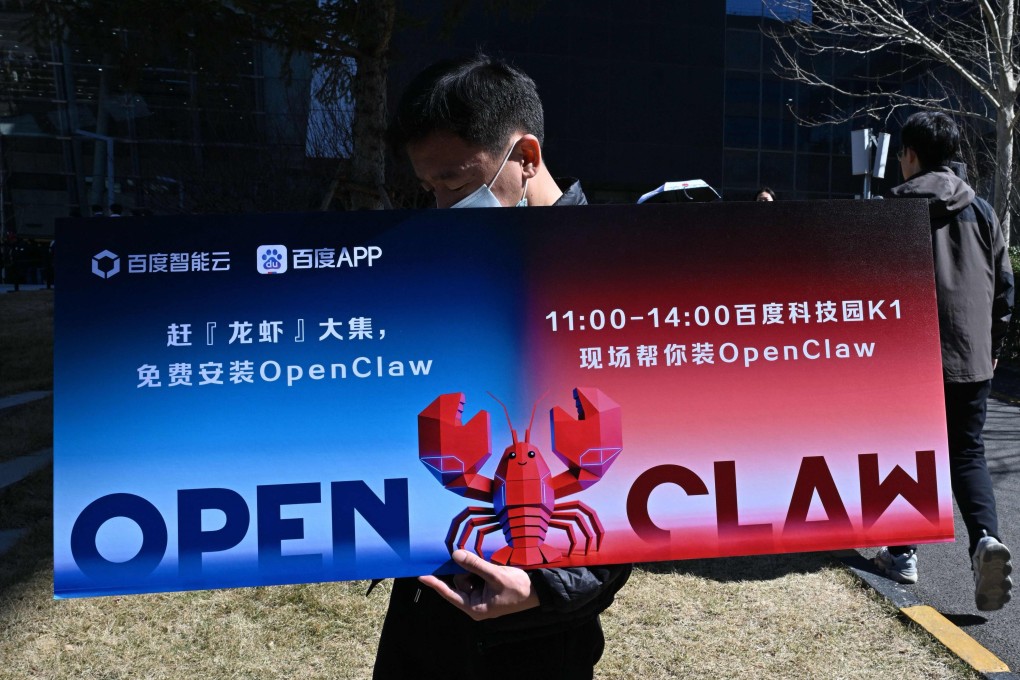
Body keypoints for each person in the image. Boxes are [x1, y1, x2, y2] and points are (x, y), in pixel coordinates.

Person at [375, 54, 632, 679]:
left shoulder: (619, 277)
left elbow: (650, 473)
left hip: (537, 642)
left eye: (454, 184)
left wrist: (547, 587)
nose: (442, 207)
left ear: (526, 157)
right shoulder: (445, 260)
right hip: (422, 619)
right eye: (429, 189)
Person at [877, 111, 1014, 611]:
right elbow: (1004, 290)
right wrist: (991, 348)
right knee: (967, 453)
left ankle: (902, 554)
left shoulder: (891, 210)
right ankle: (985, 540)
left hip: (906, 360)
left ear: (911, 155)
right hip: (970, 359)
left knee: (904, 453)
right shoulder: (983, 211)